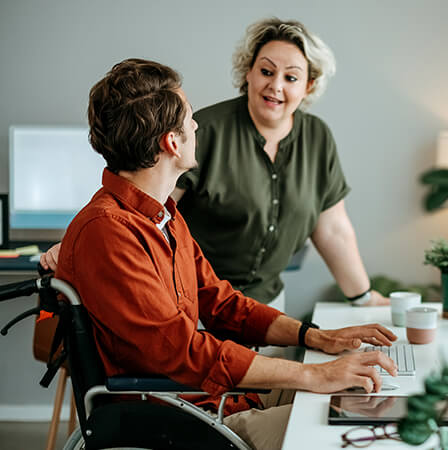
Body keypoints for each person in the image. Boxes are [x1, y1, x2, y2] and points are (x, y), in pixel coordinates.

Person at [55, 58, 397, 450]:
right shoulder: (109, 231)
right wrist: (315, 376)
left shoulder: (164, 215)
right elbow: (183, 351)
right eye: (189, 119)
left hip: (201, 401)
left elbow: (223, 304)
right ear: (171, 142)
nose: (197, 126)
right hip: (167, 417)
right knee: (337, 427)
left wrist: (316, 338)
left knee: (354, 399)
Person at [42, 18, 389, 311]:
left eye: (291, 77)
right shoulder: (201, 130)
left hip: (267, 305)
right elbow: (139, 199)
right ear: (248, 73)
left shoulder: (318, 138)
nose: (275, 85)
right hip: (196, 303)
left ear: (308, 86)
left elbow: (333, 230)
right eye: (266, 71)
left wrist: (362, 297)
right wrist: (77, 241)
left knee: (273, 391)